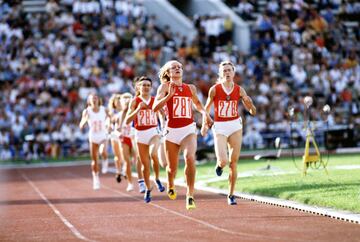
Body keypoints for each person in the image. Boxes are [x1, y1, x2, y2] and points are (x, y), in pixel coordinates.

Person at [153, 60, 212, 210]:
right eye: (174, 67)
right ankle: (171, 183)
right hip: (171, 131)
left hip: (188, 129)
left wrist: (205, 114)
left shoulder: (190, 88)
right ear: (168, 72)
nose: (178, 69)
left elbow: (198, 104)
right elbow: (154, 107)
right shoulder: (165, 87)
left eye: (180, 67)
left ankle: (190, 195)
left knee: (190, 158)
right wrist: (168, 97)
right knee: (171, 168)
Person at [202, 61, 256, 205]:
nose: (227, 73)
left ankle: (231, 194)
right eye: (224, 70)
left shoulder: (239, 90)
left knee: (233, 163)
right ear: (220, 73)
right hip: (219, 126)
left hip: (235, 125)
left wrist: (250, 104)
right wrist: (204, 124)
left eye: (229, 70)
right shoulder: (214, 89)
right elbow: (206, 108)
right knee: (224, 161)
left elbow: (252, 111)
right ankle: (219, 165)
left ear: (233, 73)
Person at [125, 76, 165, 203]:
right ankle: (148, 189)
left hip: (153, 131)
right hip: (140, 134)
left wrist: (163, 125)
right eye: (144, 85)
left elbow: (162, 114)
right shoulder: (134, 101)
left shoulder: (154, 100)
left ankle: (157, 179)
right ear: (138, 87)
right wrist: (138, 109)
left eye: (148, 85)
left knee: (153, 154)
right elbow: (127, 120)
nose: (146, 87)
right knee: (145, 165)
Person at [79, 93, 110, 190]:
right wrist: (83, 123)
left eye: (96, 98)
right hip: (93, 137)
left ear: (98, 99)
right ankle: (96, 179)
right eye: (92, 98)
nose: (94, 100)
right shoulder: (87, 111)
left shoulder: (103, 109)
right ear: (89, 101)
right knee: (94, 160)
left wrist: (109, 124)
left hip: (103, 135)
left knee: (103, 151)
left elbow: (110, 118)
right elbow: (82, 122)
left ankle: (105, 160)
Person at [118, 93, 136, 192]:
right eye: (124, 98)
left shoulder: (135, 110)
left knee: (136, 160)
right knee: (127, 162)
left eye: (128, 98)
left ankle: (141, 181)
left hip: (134, 137)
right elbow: (118, 127)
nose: (126, 100)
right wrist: (117, 132)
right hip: (124, 138)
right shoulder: (120, 114)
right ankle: (130, 183)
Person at [108, 94, 123, 183]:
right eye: (117, 101)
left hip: (124, 134)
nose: (119, 103)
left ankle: (125, 169)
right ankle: (118, 171)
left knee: (124, 154)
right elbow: (110, 124)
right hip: (115, 134)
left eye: (119, 101)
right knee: (117, 155)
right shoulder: (112, 113)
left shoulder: (126, 111)